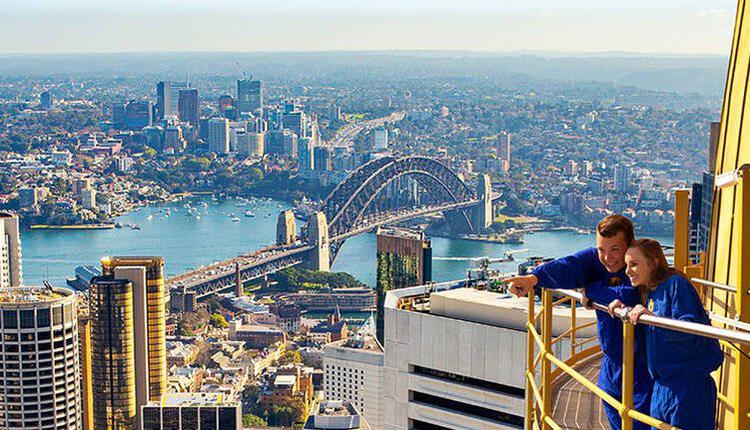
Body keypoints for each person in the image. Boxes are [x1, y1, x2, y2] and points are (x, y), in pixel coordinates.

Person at [506, 214, 652, 430]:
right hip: (611, 364)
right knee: (615, 417)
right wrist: (532, 279)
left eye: (615, 249)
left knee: (639, 423)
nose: (607, 257)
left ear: (629, 246)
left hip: (642, 366)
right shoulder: (595, 261)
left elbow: (630, 294)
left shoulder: (639, 265)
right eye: (601, 249)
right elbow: (568, 266)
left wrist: (590, 291)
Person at [608, 239, 723, 430]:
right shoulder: (650, 292)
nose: (627, 271)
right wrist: (625, 309)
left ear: (653, 262)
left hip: (688, 389)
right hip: (662, 388)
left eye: (634, 264)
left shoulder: (676, 285)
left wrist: (654, 318)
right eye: (627, 265)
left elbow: (690, 328)